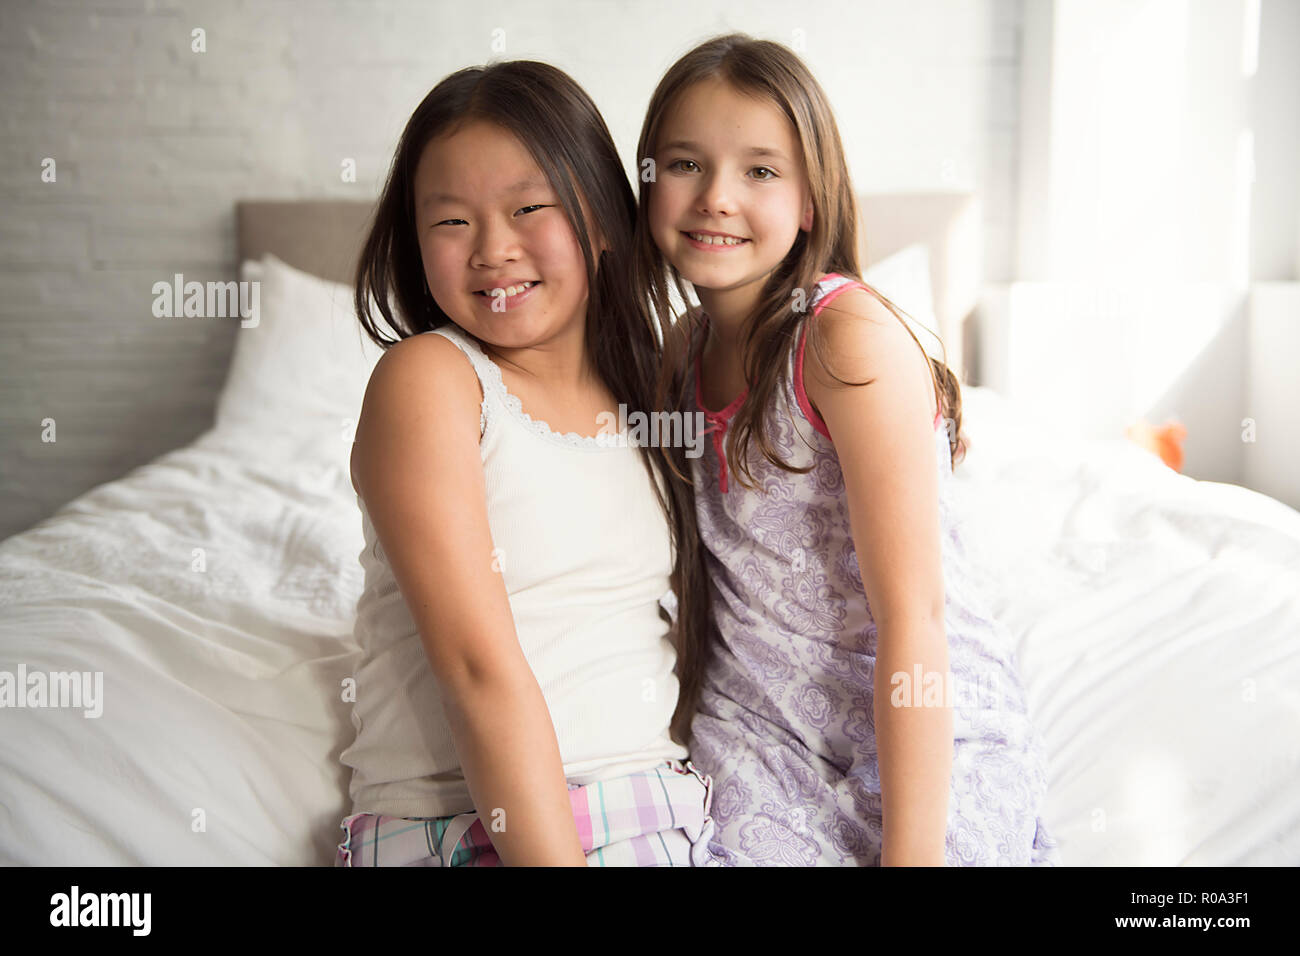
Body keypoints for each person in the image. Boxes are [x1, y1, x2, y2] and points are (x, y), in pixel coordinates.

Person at [633, 33, 1060, 866]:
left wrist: (912, 856)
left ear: (811, 203)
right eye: (685, 164)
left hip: (920, 717)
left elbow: (915, 615)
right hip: (760, 726)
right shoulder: (678, 356)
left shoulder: (844, 339)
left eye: (760, 171)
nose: (716, 196)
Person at [334, 60, 715, 867]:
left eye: (529, 207)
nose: (494, 250)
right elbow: (477, 671)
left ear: (604, 218)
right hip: (459, 826)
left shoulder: (654, 390)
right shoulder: (432, 380)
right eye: (451, 222)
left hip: (657, 807)